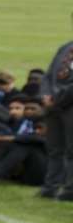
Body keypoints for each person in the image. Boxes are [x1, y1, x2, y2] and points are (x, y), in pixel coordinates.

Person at [43, 13, 73, 200]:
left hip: (69, 106)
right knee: (54, 148)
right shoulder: (66, 47)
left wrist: (57, 99)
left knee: (72, 150)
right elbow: (48, 75)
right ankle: (51, 185)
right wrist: (45, 94)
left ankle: (70, 189)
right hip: (53, 106)